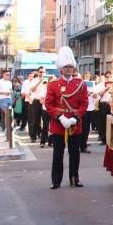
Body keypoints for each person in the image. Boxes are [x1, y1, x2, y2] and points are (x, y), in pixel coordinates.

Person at [45, 47, 88, 189]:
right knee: (58, 154)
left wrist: (76, 117)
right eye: (66, 67)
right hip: (59, 124)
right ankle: (56, 180)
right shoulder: (53, 85)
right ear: (61, 69)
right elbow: (49, 104)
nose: (69, 70)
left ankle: (74, 178)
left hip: (75, 124)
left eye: (71, 67)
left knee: (74, 153)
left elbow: (84, 103)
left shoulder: (80, 84)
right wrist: (60, 117)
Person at [27, 67, 50, 147]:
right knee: (35, 119)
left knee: (46, 120)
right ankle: (33, 136)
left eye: (44, 71)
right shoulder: (34, 80)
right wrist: (40, 81)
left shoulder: (48, 79)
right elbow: (32, 90)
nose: (42, 73)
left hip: (44, 101)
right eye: (40, 72)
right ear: (38, 72)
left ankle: (45, 137)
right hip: (36, 100)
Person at [79, 71, 97, 153]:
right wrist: (87, 93)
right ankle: (82, 145)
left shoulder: (93, 85)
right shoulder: (82, 84)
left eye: (89, 76)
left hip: (91, 107)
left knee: (87, 128)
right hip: (84, 108)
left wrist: (94, 95)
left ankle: (84, 143)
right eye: (86, 75)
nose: (87, 77)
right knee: (84, 127)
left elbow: (96, 95)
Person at [96, 71, 113, 145]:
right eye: (107, 77)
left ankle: (111, 139)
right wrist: (106, 88)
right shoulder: (101, 85)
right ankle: (103, 139)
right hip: (103, 104)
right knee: (103, 123)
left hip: (112, 105)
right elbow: (98, 95)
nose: (108, 78)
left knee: (111, 123)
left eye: (110, 76)